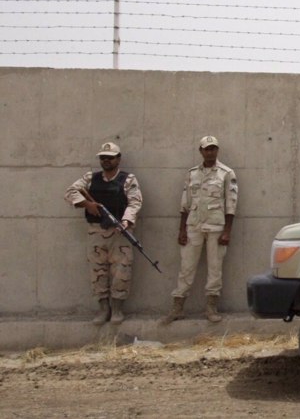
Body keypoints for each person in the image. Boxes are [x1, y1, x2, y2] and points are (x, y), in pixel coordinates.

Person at [161, 136, 238, 324]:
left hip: (216, 227)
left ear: (217, 151)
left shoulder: (226, 173)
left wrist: (227, 231)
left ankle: (211, 308)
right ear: (201, 151)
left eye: (213, 149)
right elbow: (185, 203)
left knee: (215, 268)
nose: (210, 152)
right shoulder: (192, 173)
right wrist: (182, 230)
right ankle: (178, 307)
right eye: (207, 149)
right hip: (193, 226)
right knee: (186, 268)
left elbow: (231, 204)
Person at [64, 142, 143, 325]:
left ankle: (117, 309)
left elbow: (135, 203)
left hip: (120, 232)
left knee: (122, 271)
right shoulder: (91, 178)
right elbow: (70, 192)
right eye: (103, 158)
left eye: (110, 157)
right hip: (96, 232)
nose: (106, 161)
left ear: (118, 158)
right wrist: (87, 205)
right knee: (97, 271)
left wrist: (125, 221)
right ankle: (103, 309)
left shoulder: (128, 179)